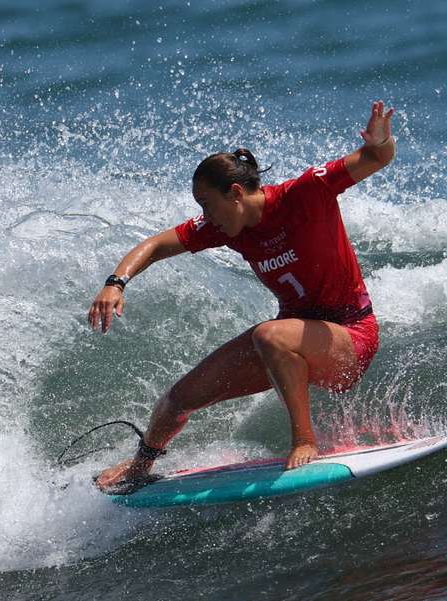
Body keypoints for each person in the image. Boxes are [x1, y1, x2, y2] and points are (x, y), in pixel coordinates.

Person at [88, 101, 396, 492]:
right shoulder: (226, 226)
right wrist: (116, 282)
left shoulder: (305, 193)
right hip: (290, 342)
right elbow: (155, 245)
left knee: (269, 334)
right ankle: (140, 466)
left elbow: (375, 157)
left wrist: (381, 138)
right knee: (177, 400)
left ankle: (305, 441)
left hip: (351, 336)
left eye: (207, 204)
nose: (205, 216)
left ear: (235, 193)